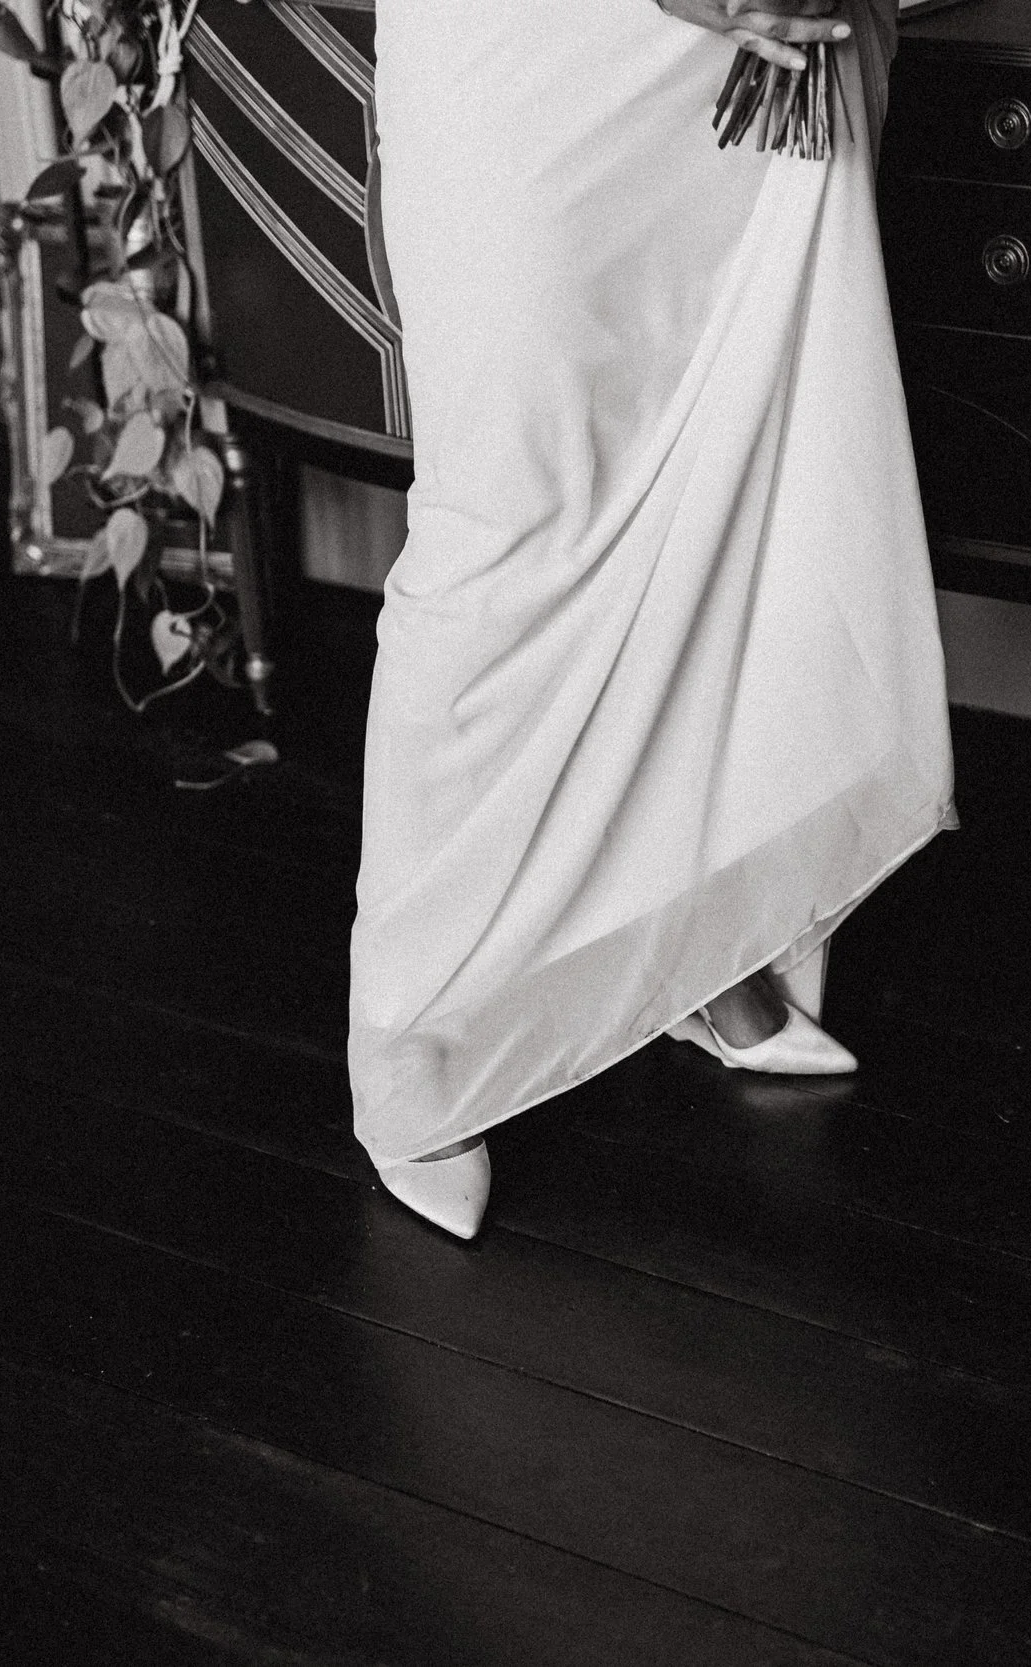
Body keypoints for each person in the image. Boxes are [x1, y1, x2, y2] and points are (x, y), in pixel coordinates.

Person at [352, 0, 957, 1236]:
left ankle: (710, 940)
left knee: (755, 471)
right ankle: (413, 1035)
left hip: (757, 50)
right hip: (525, 44)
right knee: (505, 506)